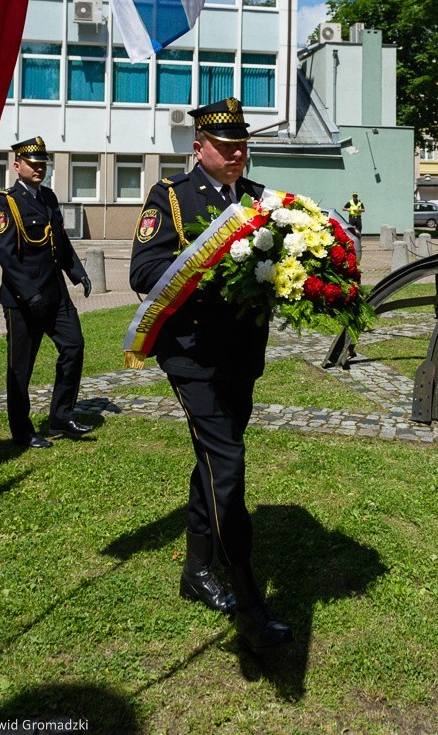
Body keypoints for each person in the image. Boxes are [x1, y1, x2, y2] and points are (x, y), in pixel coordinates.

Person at [129, 98, 293, 654]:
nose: (237, 153)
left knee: (213, 459)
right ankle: (250, 603)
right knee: (228, 464)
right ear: (198, 146)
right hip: (194, 356)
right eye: (226, 146)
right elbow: (143, 271)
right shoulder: (170, 199)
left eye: (242, 144)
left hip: (242, 354)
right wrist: (214, 270)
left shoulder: (258, 199)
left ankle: (196, 571)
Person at [0, 136, 92, 448]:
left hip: (55, 293)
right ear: (17, 166)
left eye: (41, 164)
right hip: (23, 300)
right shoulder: (6, 202)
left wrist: (78, 273)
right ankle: (22, 431)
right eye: (32, 164)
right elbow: (5, 255)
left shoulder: (48, 196)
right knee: (20, 368)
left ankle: (61, 415)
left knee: (74, 347)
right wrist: (30, 293)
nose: (38, 169)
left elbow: (59, 241)